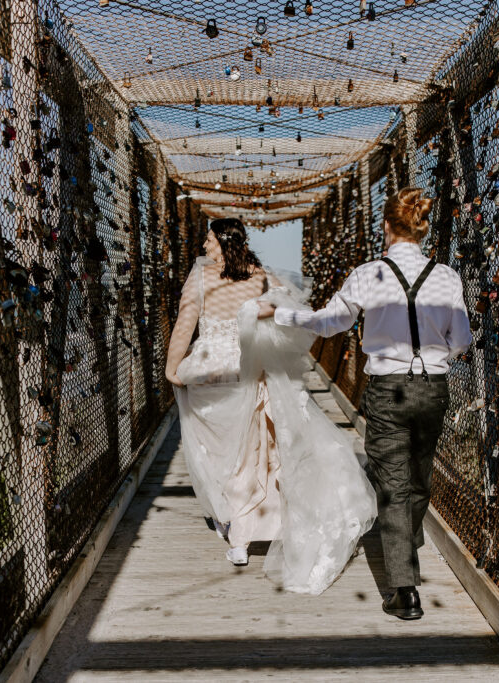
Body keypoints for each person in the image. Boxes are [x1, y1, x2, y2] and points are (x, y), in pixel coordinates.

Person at [259, 187, 472, 619]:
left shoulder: (369, 273)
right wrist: (434, 357)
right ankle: (406, 544)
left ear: (388, 227)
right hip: (433, 386)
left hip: (388, 388)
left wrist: (280, 314)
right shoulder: (447, 275)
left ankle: (404, 590)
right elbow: (463, 339)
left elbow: (330, 323)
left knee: (391, 484)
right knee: (419, 473)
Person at [166, 218, 376, 594]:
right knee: (260, 451)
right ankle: (268, 526)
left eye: (209, 238)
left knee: (223, 452)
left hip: (214, 372)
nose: (205, 244)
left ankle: (239, 536)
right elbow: (294, 318)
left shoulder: (200, 278)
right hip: (254, 369)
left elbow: (186, 323)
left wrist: (172, 366)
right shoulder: (263, 278)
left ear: (221, 242)